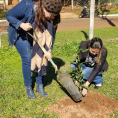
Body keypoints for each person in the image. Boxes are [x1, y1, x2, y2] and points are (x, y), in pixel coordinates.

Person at [6, 0, 62, 99]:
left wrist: (49, 49)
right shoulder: (27, 5)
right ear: (43, 8)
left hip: (37, 35)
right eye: (51, 15)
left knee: (41, 57)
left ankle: (40, 85)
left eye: (54, 15)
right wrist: (21, 24)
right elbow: (9, 15)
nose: (52, 17)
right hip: (21, 34)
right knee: (27, 58)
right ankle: (28, 87)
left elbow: (52, 35)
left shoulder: (53, 18)